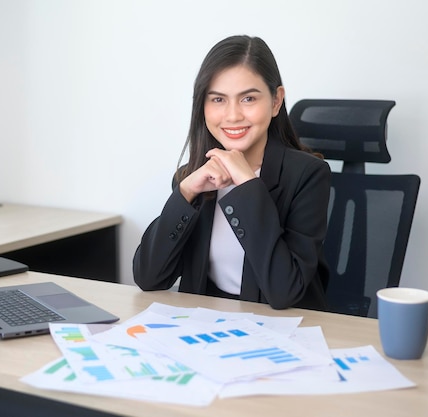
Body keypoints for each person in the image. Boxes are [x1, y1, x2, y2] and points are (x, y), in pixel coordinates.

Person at [133, 35, 331, 310]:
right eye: (218, 100)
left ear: (276, 101)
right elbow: (148, 277)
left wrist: (248, 186)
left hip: (283, 332)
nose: (233, 115)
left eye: (248, 98)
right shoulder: (194, 177)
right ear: (202, 106)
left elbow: (284, 291)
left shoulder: (308, 176)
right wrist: (186, 192)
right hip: (209, 330)